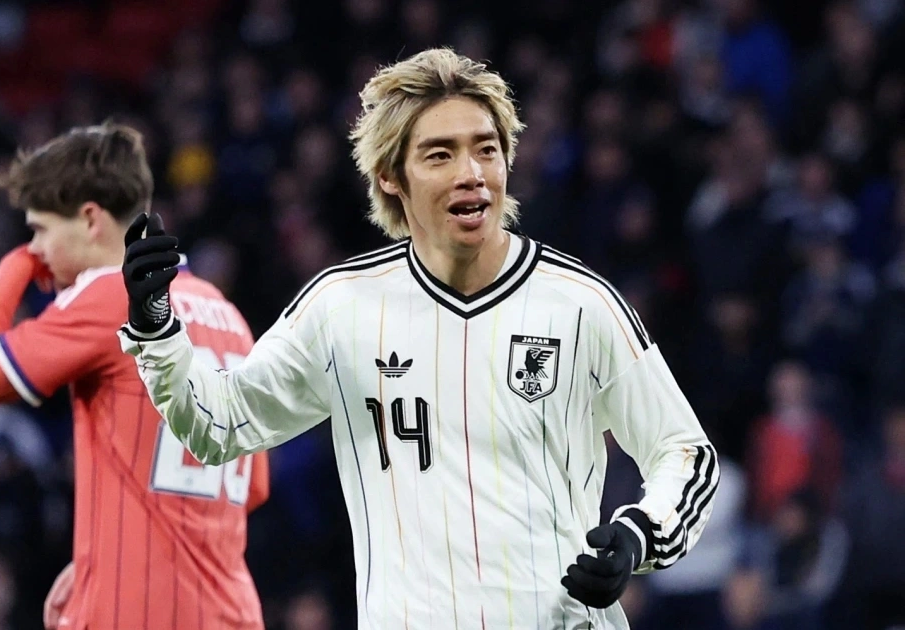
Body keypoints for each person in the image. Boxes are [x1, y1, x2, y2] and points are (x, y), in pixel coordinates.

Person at [119, 48, 721, 628]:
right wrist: (156, 327)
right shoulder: (341, 309)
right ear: (391, 177)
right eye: (440, 155)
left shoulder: (581, 304)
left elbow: (686, 453)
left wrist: (639, 535)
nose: (471, 174)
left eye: (486, 150)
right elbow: (220, 424)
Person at [0, 120, 269, 630]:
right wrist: (103, 556)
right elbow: (254, 486)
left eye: (40, 230)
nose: (37, 248)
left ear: (91, 219)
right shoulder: (227, 316)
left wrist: (14, 267)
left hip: (135, 614)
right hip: (229, 613)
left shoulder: (111, 296)